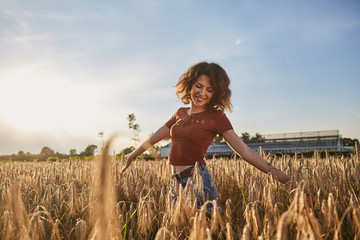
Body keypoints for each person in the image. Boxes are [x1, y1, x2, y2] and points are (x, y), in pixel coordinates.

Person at [121, 61, 290, 211]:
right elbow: (155, 137)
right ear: (189, 85)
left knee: (207, 231)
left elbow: (244, 151)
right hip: (175, 181)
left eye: (210, 90)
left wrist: (282, 177)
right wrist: (133, 154)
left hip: (197, 180)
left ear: (215, 94)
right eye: (198, 86)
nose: (202, 93)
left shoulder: (216, 117)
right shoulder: (180, 113)